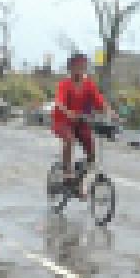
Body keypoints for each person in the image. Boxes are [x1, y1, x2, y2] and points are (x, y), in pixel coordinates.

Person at [53, 53, 116, 195]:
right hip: (62, 121)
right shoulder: (64, 84)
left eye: (83, 66)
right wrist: (67, 111)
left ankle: (79, 181)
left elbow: (99, 101)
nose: (81, 69)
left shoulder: (89, 85)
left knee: (92, 154)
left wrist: (110, 113)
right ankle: (67, 173)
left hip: (81, 123)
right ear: (71, 68)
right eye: (78, 66)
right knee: (69, 140)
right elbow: (59, 102)